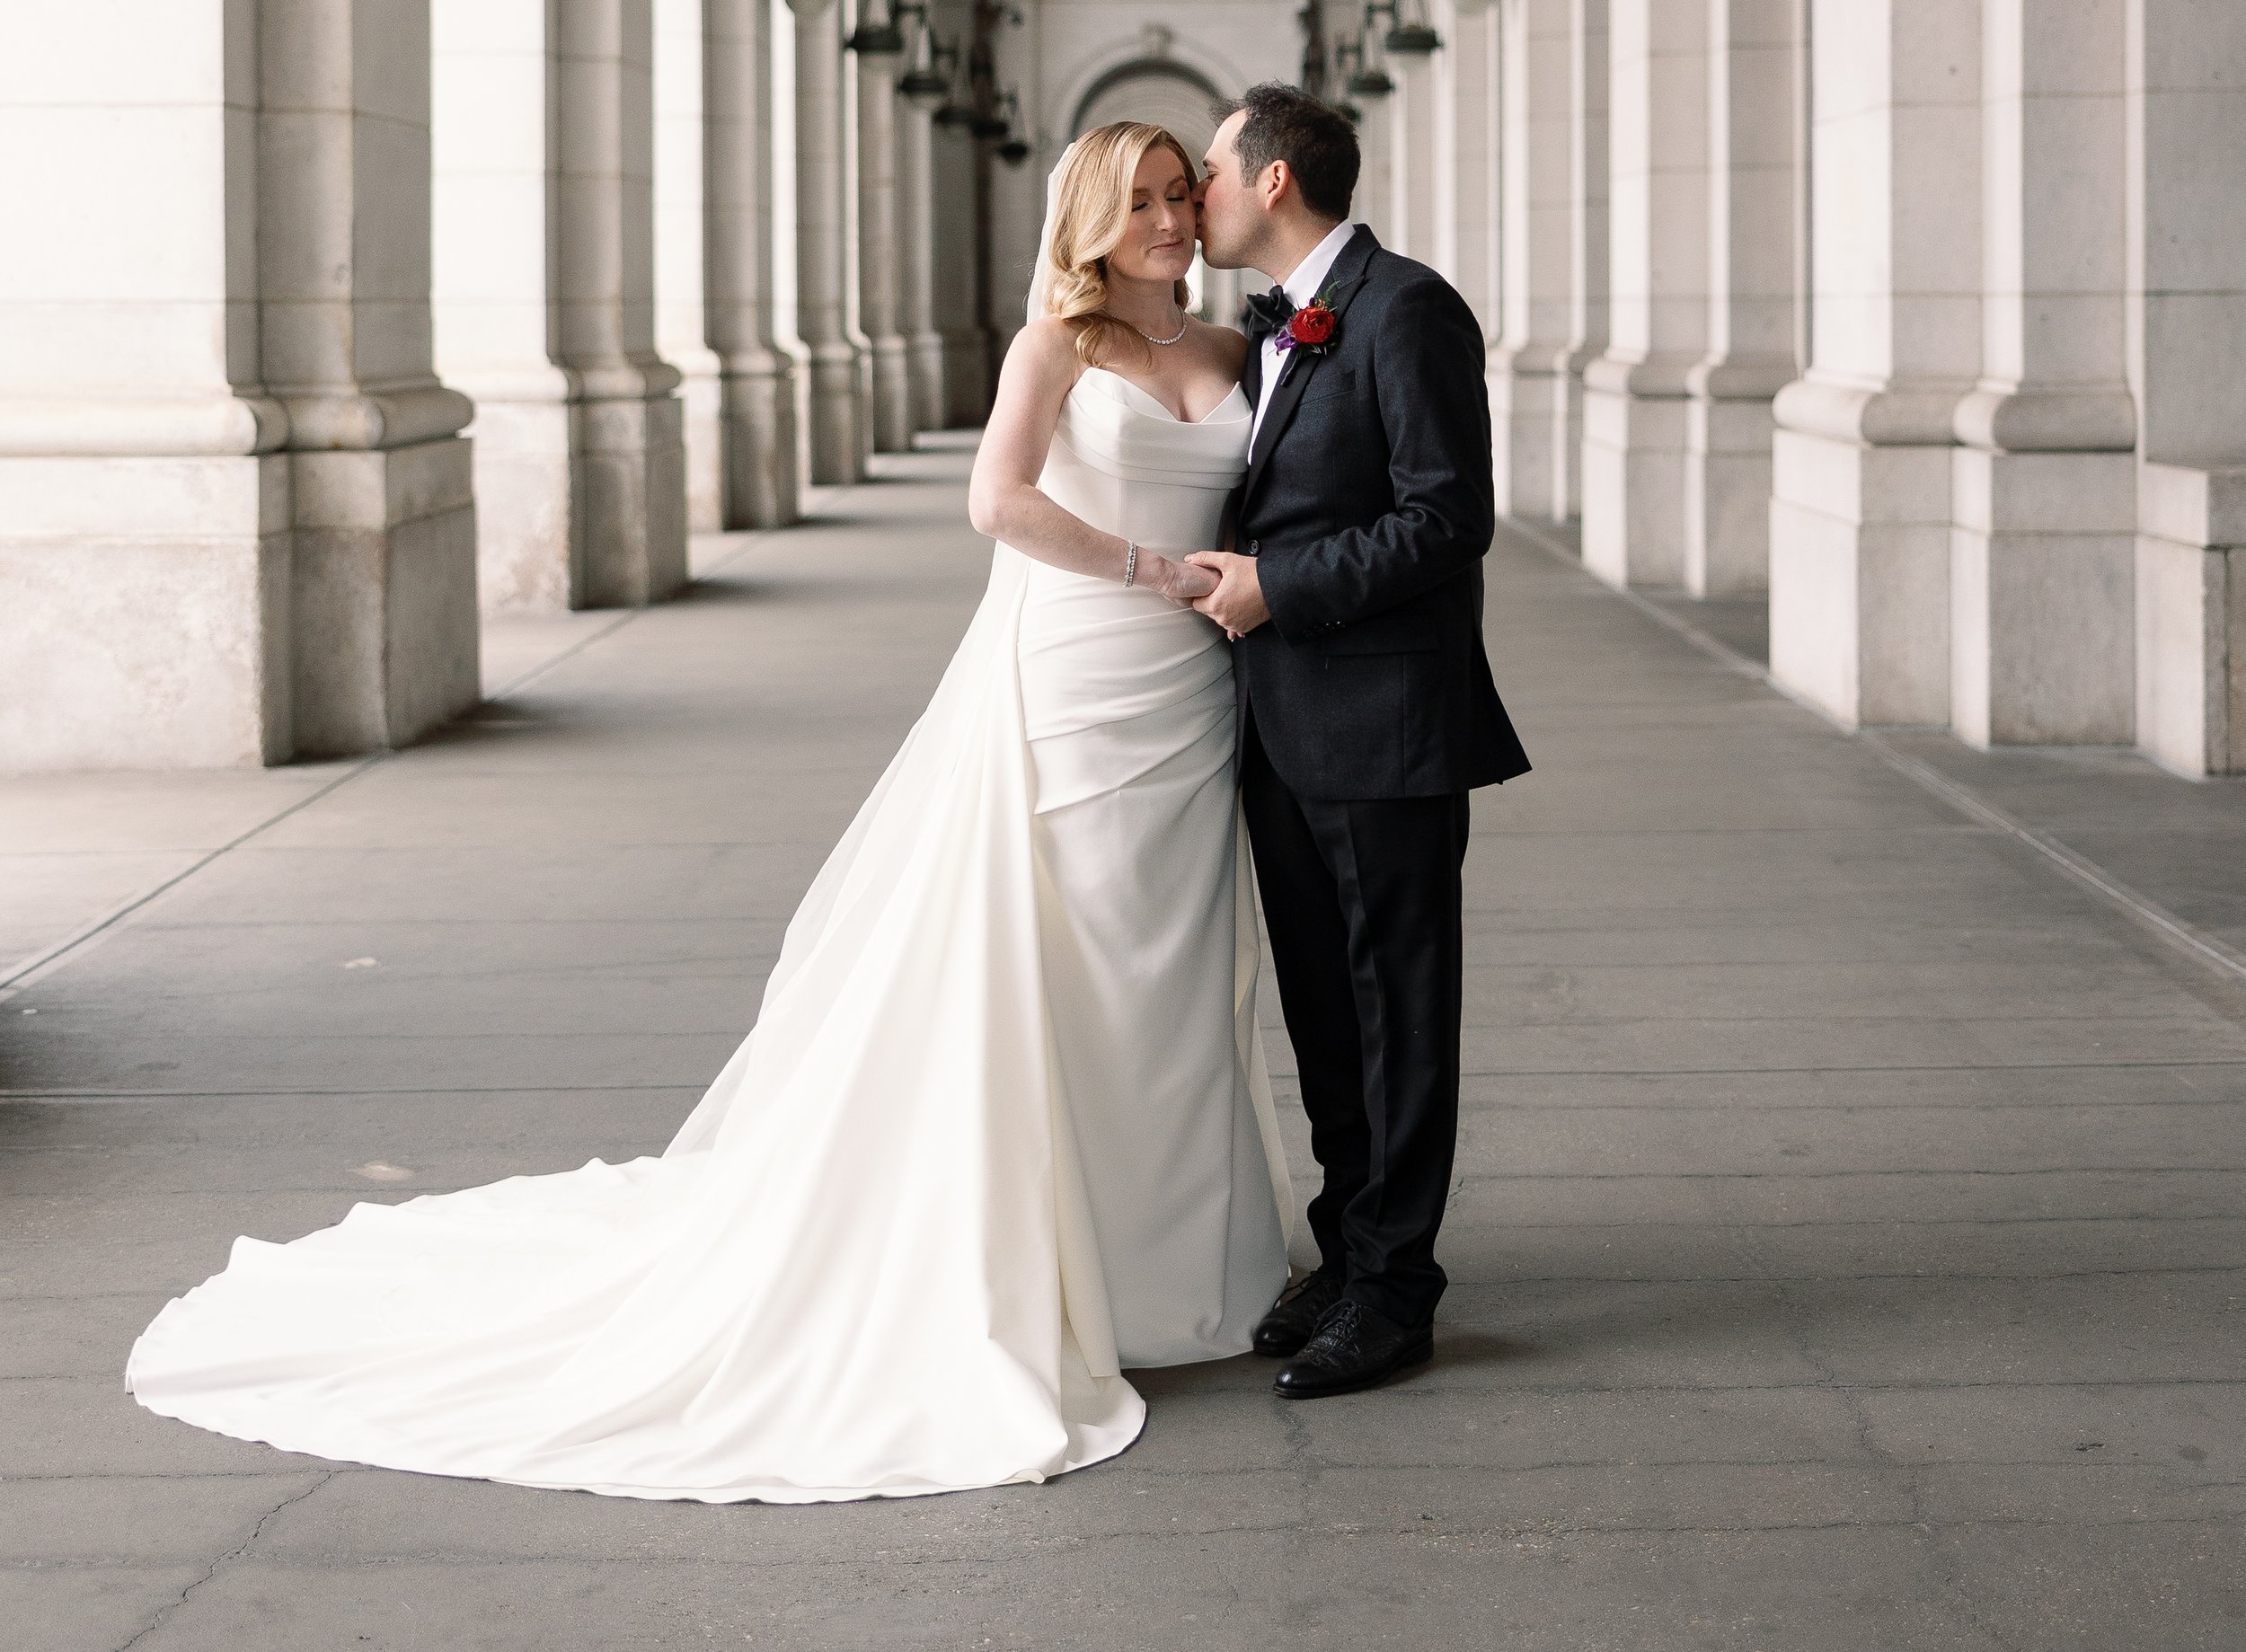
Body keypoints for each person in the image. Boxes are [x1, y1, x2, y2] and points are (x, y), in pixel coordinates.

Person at [126, 124, 1290, 1506]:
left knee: (1169, 970)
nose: (1165, 219)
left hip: (1189, 700)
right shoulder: (1057, 347)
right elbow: (998, 500)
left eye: (1178, 195)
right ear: (1092, 221)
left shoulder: (1235, 355)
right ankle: (1040, 1261)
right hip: (1077, 676)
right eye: (1140, 201)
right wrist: (1147, 564)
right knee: (1067, 960)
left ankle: (1165, 1264)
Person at [1192, 83, 1530, 1400]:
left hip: (1387, 721)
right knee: (1327, 1011)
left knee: (1401, 1008)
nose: (1201, 191)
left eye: (1212, 168)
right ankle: (1346, 1248)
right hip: (1280, 728)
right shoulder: (1262, 328)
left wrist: (1282, 582)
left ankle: (1398, 1290)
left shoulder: (1408, 307)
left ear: (1274, 178)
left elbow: (1449, 515)